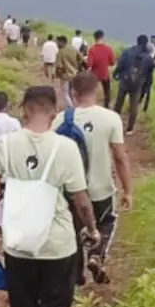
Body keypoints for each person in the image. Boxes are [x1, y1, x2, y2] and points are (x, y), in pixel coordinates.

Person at [0, 85, 99, 307]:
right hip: (58, 242)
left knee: (22, 305)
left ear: (24, 109)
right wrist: (91, 228)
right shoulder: (65, 148)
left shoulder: (4, 145)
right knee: (55, 304)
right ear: (54, 111)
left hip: (18, 240)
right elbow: (82, 200)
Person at [53, 70, 133, 283]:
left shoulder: (60, 119)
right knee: (106, 223)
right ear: (96, 89)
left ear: (74, 92)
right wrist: (127, 190)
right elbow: (119, 157)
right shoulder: (111, 118)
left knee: (75, 230)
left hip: (71, 192)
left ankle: (77, 273)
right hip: (102, 190)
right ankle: (96, 256)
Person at [114, 36, 155, 134]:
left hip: (124, 81)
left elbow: (120, 65)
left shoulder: (127, 52)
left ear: (137, 41)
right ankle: (130, 128)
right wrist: (146, 89)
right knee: (134, 106)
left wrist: (115, 74)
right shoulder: (148, 57)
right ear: (146, 43)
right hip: (137, 84)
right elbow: (149, 75)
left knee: (119, 102)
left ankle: (114, 124)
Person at [86, 30, 117, 108]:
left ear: (94, 38)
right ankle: (106, 106)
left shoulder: (92, 49)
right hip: (105, 74)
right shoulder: (108, 49)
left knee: (92, 91)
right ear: (103, 37)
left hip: (95, 74)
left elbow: (89, 64)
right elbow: (112, 62)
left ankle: (91, 105)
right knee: (107, 91)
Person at [55, 36, 82, 108]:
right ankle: (74, 105)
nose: (56, 44)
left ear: (62, 42)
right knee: (72, 92)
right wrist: (77, 67)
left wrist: (58, 74)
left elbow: (59, 66)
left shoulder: (61, 52)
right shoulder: (73, 49)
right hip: (75, 74)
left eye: (57, 42)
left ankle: (72, 108)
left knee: (65, 93)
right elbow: (81, 59)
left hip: (65, 75)